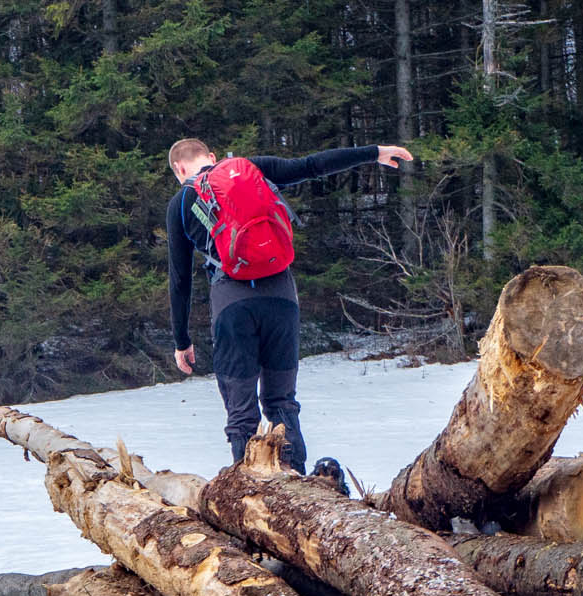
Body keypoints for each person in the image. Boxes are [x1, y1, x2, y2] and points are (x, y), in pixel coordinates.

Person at [165, 137, 415, 471]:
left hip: (232, 304)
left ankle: (252, 494)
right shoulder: (251, 168)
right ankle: (300, 482)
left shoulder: (182, 202)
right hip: (282, 296)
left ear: (179, 169)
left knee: (241, 412)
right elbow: (312, 165)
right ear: (211, 157)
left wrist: (182, 340)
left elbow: (180, 280)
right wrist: (374, 153)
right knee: (281, 401)